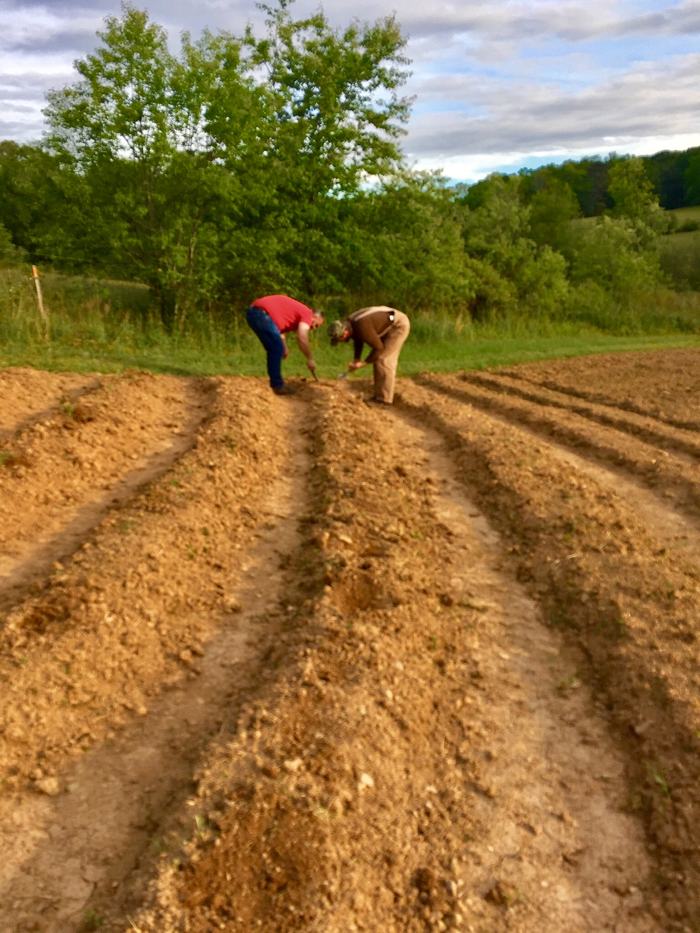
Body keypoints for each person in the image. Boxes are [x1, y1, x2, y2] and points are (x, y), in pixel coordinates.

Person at [328, 305, 410, 405]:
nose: (341, 342)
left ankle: (384, 400)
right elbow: (358, 340)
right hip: (390, 318)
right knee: (378, 359)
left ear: (344, 333)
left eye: (339, 340)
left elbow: (378, 348)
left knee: (383, 359)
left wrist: (364, 363)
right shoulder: (351, 323)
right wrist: (356, 359)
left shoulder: (362, 326)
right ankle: (379, 396)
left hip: (398, 324)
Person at [246, 294, 325, 395]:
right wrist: (310, 358)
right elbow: (302, 337)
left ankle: (276, 383)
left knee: (276, 348)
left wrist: (284, 346)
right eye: (316, 324)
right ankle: (277, 385)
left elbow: (279, 328)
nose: (314, 328)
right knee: (276, 348)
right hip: (261, 314)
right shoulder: (307, 314)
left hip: (255, 314)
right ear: (314, 316)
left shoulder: (298, 314)